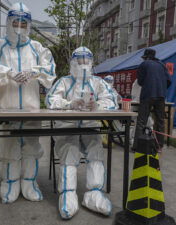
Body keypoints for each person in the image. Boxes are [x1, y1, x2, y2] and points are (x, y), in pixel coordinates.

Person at [0, 2, 56, 204]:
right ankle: (10, 183)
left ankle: (29, 182)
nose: (19, 26)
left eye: (23, 22)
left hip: (31, 108)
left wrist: (34, 71)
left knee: (31, 145)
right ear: (8, 22)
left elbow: (50, 69)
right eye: (15, 21)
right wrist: (8, 72)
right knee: (9, 145)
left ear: (28, 24)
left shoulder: (36, 47)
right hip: (6, 107)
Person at [46, 47, 117, 219]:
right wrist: (69, 104)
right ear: (72, 63)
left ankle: (94, 193)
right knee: (70, 151)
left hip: (89, 126)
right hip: (66, 126)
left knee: (95, 150)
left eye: (87, 62)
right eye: (79, 62)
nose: (83, 65)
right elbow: (50, 99)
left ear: (92, 63)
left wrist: (97, 106)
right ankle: (68, 194)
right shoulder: (64, 82)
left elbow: (112, 99)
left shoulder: (98, 82)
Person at [133, 48, 171, 151]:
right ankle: (159, 146)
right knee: (160, 121)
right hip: (161, 96)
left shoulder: (144, 64)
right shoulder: (162, 65)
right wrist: (161, 89)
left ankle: (137, 146)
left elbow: (140, 82)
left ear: (146, 57)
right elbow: (169, 81)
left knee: (141, 121)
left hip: (147, 95)